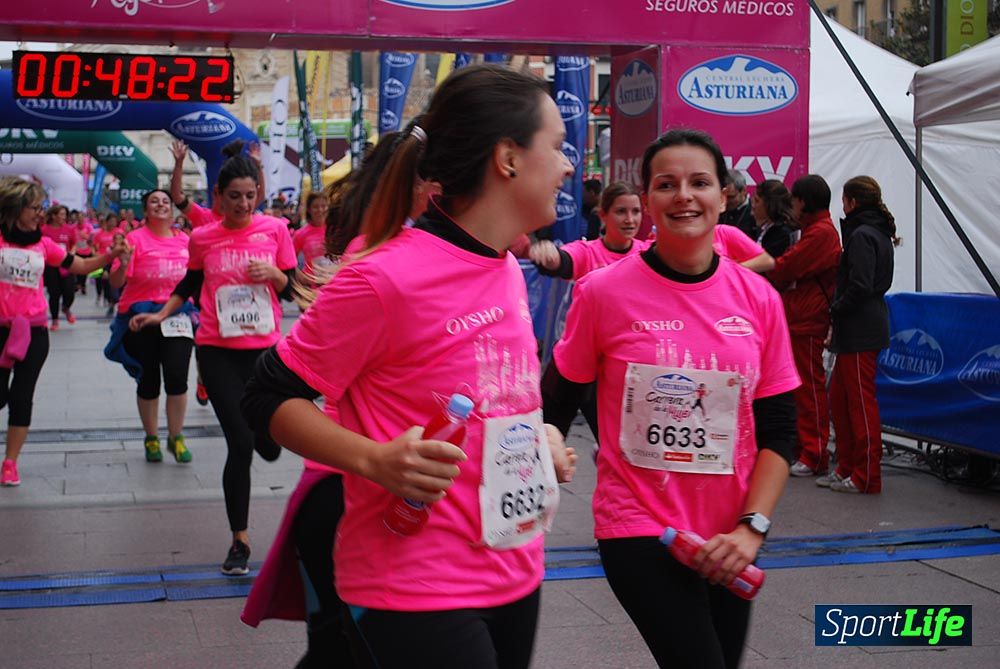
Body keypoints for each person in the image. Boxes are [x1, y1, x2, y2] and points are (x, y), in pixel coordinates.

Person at [240, 65, 577, 669]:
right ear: (507, 158)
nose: (568, 165)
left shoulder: (502, 265)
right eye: (556, 147)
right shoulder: (384, 277)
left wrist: (540, 436)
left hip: (516, 565)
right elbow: (265, 398)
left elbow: (488, 399)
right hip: (414, 583)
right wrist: (373, 459)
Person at [542, 129, 799, 669]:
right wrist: (544, 448)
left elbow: (780, 431)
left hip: (732, 533)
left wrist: (752, 528)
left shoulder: (758, 299)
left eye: (699, 182)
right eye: (667, 184)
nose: (684, 195)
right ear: (648, 200)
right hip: (639, 525)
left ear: (724, 196)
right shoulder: (603, 292)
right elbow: (557, 400)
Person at [130, 141, 297, 574]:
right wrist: (160, 314)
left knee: (268, 443)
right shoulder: (203, 236)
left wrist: (275, 275)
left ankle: (267, 435)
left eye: (250, 195)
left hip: (265, 350)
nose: (243, 204)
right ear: (219, 196)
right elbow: (190, 284)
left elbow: (292, 289)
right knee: (239, 443)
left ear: (258, 194)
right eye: (235, 196)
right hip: (218, 350)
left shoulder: (276, 230)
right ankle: (239, 541)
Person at [1, 177, 126, 487]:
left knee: (22, 396)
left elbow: (81, 266)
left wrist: (110, 257)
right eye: (34, 208)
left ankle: (10, 462)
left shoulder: (44, 244)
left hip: (32, 332)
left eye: (41, 207)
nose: (39, 214)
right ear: (15, 209)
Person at [107, 189, 196, 464]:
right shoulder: (134, 240)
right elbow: (116, 282)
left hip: (179, 317)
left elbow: (196, 278)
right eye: (154, 202)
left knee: (177, 377)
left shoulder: (187, 241)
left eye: (165, 202)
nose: (160, 205)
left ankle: (176, 437)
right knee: (149, 380)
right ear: (146, 210)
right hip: (141, 316)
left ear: (173, 210)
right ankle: (151, 437)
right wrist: (122, 263)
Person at [821, 176, 898, 495]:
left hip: (861, 327)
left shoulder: (863, 234)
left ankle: (866, 474)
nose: (842, 204)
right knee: (840, 398)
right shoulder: (872, 231)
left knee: (859, 403)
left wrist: (836, 308)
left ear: (851, 201)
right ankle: (847, 466)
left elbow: (861, 284)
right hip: (859, 325)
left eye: (843, 199)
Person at [768, 175, 841, 477]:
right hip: (801, 319)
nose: (792, 207)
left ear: (804, 201)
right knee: (802, 390)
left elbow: (786, 267)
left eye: (795, 200)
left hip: (808, 320)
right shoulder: (816, 231)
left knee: (809, 390)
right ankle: (807, 450)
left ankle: (815, 453)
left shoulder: (820, 234)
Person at [529, 181, 643, 281]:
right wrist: (550, 255)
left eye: (636, 211)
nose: (630, 220)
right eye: (621, 211)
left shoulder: (648, 253)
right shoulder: (587, 252)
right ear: (603, 214)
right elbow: (565, 260)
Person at [40, 204, 78, 331]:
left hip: (66, 264)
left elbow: (74, 244)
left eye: (65, 214)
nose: (64, 217)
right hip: (50, 266)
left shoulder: (69, 229)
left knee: (70, 291)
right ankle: (55, 319)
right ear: (53, 216)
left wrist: (71, 254)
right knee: (54, 293)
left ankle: (66, 307)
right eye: (61, 214)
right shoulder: (44, 230)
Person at [292, 192, 332, 287]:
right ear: (309, 210)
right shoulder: (300, 234)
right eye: (315, 207)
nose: (320, 210)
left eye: (324, 206)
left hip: (334, 286)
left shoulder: (336, 229)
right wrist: (302, 277)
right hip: (312, 290)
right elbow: (289, 261)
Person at [751, 179, 795, 262]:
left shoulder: (781, 234)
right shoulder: (767, 228)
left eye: (757, 201)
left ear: (769, 205)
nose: (753, 205)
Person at [719, 169, 757, 240]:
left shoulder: (756, 212)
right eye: (723, 196)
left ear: (744, 191)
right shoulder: (718, 210)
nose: (726, 201)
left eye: (731, 197)